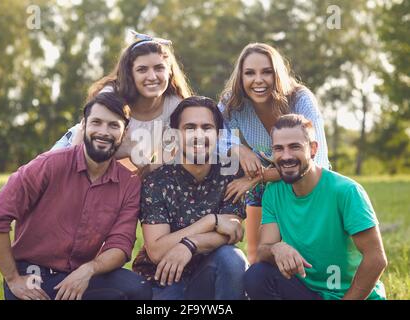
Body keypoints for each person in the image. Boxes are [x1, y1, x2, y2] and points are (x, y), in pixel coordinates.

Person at [0, 92, 152, 300]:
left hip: (80, 276)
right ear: (84, 125)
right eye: (96, 122)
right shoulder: (49, 165)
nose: (103, 132)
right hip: (33, 277)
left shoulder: (128, 183)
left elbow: (120, 245)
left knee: (137, 288)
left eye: (113, 125)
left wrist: (88, 270)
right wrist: (13, 279)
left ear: (124, 133)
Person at [244, 114, 387, 300]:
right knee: (257, 275)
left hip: (349, 296)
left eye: (295, 147)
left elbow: (376, 259)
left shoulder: (346, 191)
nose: (286, 156)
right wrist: (276, 248)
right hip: (308, 292)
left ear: (313, 149)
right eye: (279, 148)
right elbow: (264, 250)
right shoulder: (273, 192)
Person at [219, 43, 330, 264]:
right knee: (259, 256)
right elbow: (211, 135)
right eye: (250, 73)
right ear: (240, 76)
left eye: (266, 72)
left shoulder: (300, 99)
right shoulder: (234, 102)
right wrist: (238, 149)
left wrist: (258, 177)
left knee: (309, 251)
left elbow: (317, 161)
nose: (258, 80)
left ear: (277, 73)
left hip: (306, 179)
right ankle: (255, 273)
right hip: (262, 183)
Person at [132, 96, 249, 300]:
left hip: (210, 273)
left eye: (207, 127)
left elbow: (233, 231)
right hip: (162, 276)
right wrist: (210, 221)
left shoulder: (230, 173)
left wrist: (190, 244)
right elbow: (157, 251)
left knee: (232, 259)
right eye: (190, 127)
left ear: (219, 135)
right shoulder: (156, 181)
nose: (199, 135)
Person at [52, 31, 193, 175]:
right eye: (142, 69)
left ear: (169, 71)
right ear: (130, 74)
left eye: (159, 68)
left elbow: (159, 167)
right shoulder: (111, 95)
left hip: (117, 173)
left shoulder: (175, 106)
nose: (152, 76)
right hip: (76, 151)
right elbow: (80, 147)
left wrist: (136, 161)